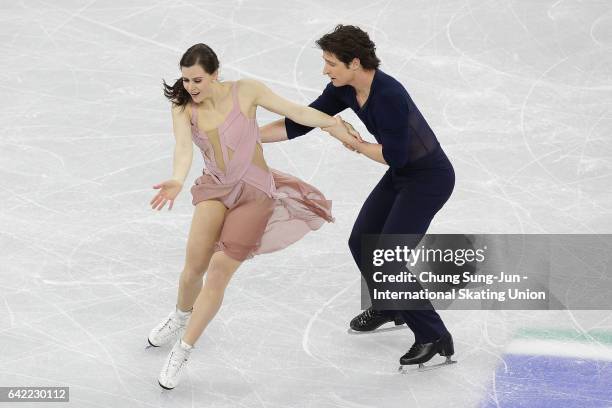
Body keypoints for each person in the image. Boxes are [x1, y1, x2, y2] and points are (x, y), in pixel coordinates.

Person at [148, 43, 354, 389]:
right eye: (185, 80)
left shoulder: (247, 91)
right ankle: (181, 315)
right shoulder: (183, 107)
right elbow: (183, 149)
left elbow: (296, 112)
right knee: (192, 269)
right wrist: (177, 179)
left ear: (215, 74)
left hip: (255, 196)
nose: (190, 87)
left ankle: (183, 349)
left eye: (197, 79)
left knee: (216, 273)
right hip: (215, 189)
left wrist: (332, 123)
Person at [260, 25, 456, 369]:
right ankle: (389, 305)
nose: (325, 70)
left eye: (330, 63)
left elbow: (395, 156)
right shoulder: (344, 88)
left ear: (354, 63)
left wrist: (352, 142)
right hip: (402, 174)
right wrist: (249, 137)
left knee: (389, 258)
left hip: (428, 178)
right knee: (362, 241)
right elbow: (302, 122)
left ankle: (433, 336)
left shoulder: (389, 95)